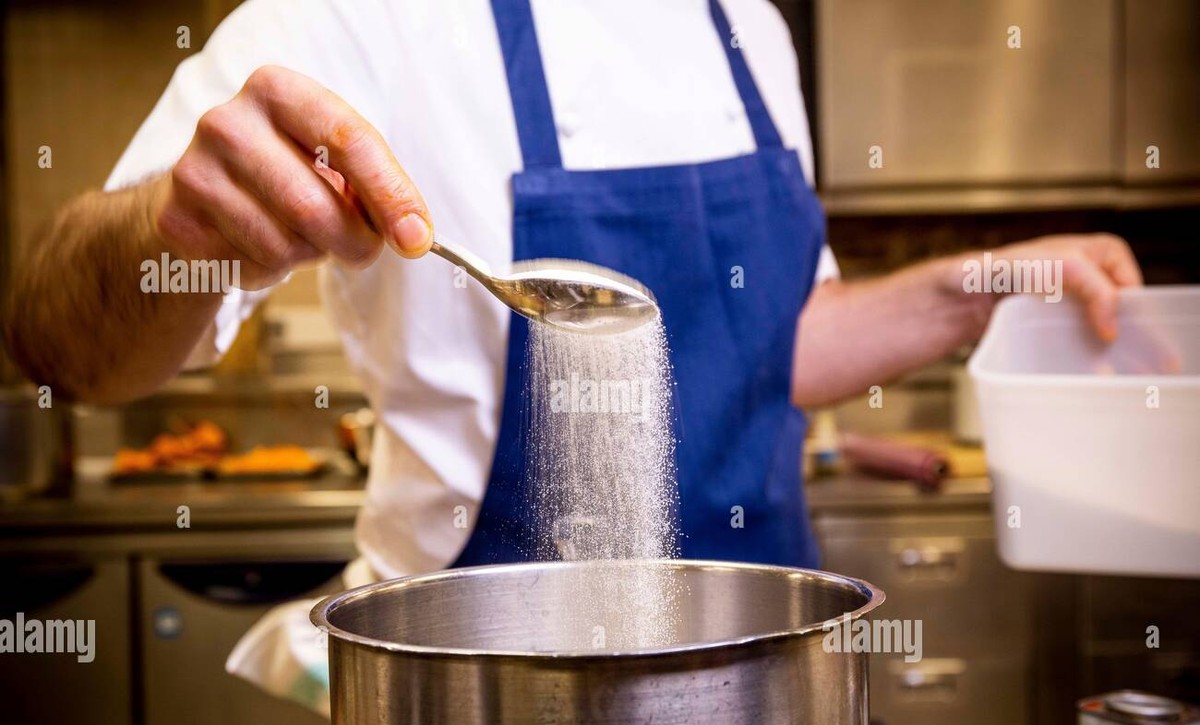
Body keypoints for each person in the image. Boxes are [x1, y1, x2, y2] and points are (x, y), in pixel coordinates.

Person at [4, 0, 1142, 587]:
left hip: (753, 665)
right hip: (472, 697)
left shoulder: (742, 24)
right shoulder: (355, 17)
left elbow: (771, 346)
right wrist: (172, 228)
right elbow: (59, 342)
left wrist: (977, 287)